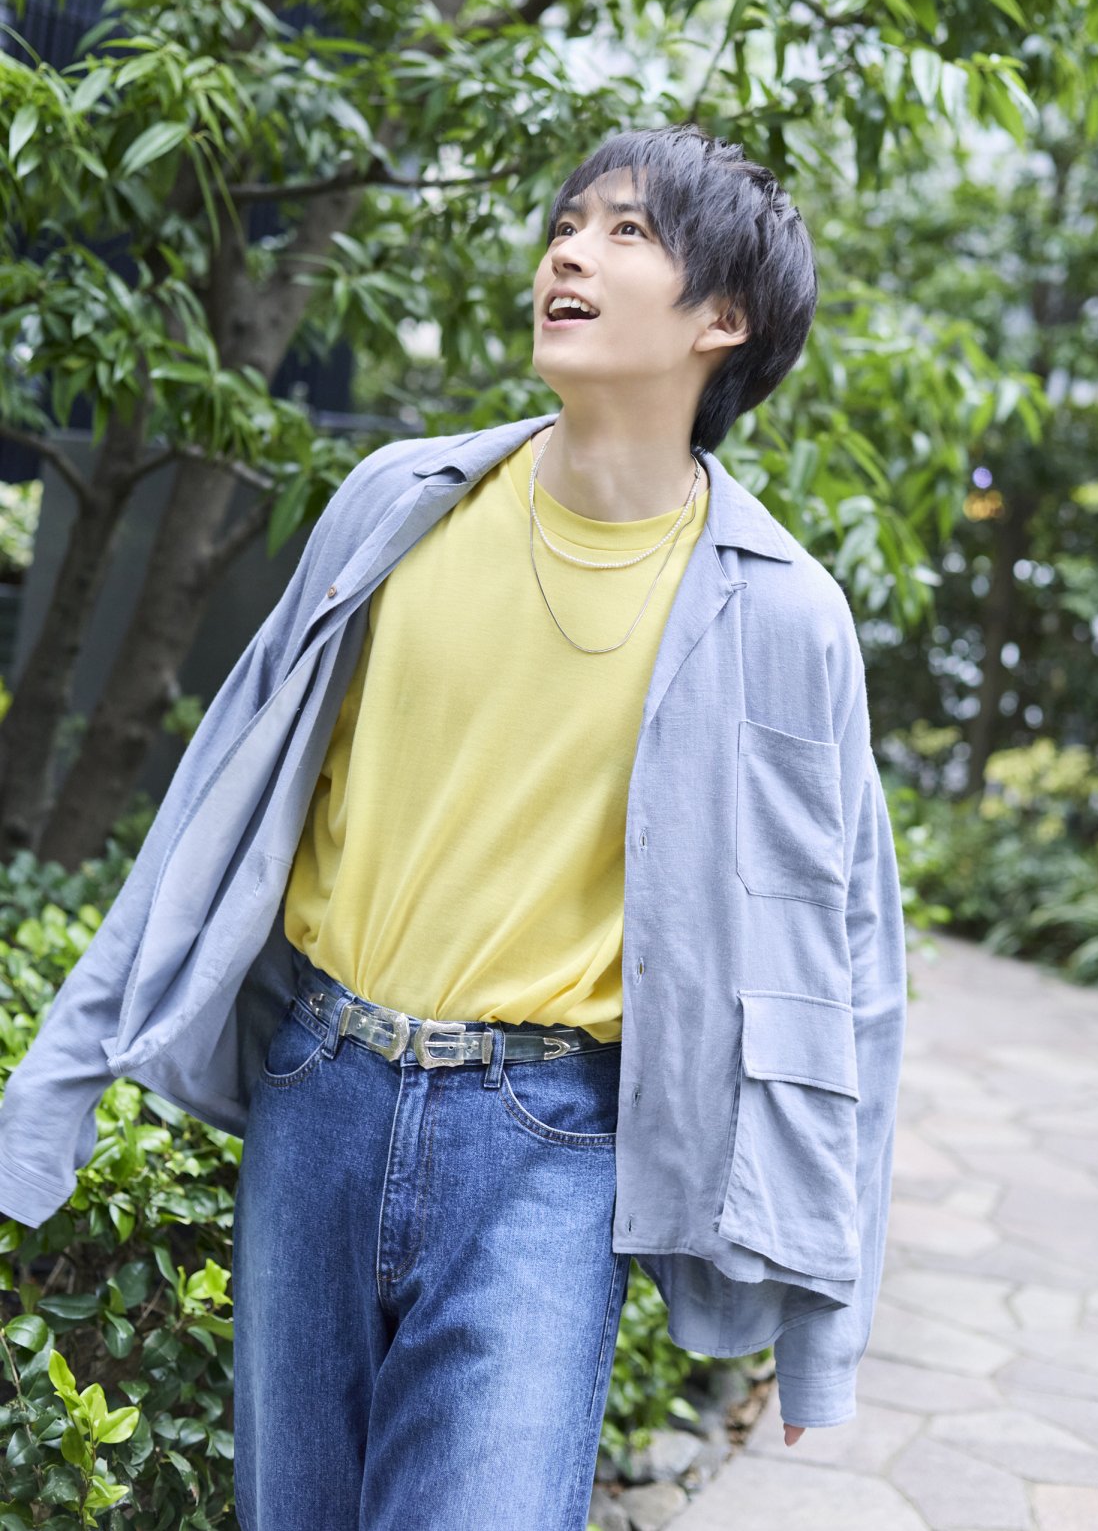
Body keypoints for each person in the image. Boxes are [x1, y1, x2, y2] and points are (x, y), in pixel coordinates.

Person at [0, 123, 907, 1530]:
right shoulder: (400, 507)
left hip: (551, 1143)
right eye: (567, 224)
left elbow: (843, 968)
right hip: (318, 1089)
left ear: (722, 319)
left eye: (626, 231)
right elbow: (211, 811)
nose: (569, 253)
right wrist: (48, 1100)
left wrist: (824, 1313)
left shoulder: (781, 614)